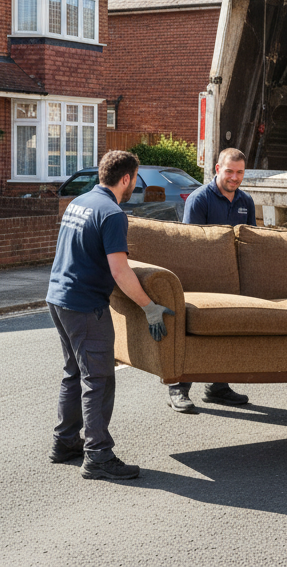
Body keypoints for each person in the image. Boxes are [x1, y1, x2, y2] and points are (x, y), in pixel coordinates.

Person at [47, 150, 175, 481]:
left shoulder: (81, 202)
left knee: (74, 372)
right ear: (126, 178)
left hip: (58, 298)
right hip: (85, 305)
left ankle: (65, 443)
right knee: (98, 379)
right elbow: (119, 270)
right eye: (135, 180)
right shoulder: (113, 213)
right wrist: (149, 307)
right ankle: (99, 456)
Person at [164, 147, 255, 413]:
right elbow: (192, 244)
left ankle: (218, 386)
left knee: (227, 330)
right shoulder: (199, 199)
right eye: (229, 171)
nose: (235, 178)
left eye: (239, 172)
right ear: (217, 169)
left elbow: (249, 241)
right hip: (200, 278)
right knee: (191, 334)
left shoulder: (245, 201)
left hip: (231, 279)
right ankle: (178, 389)